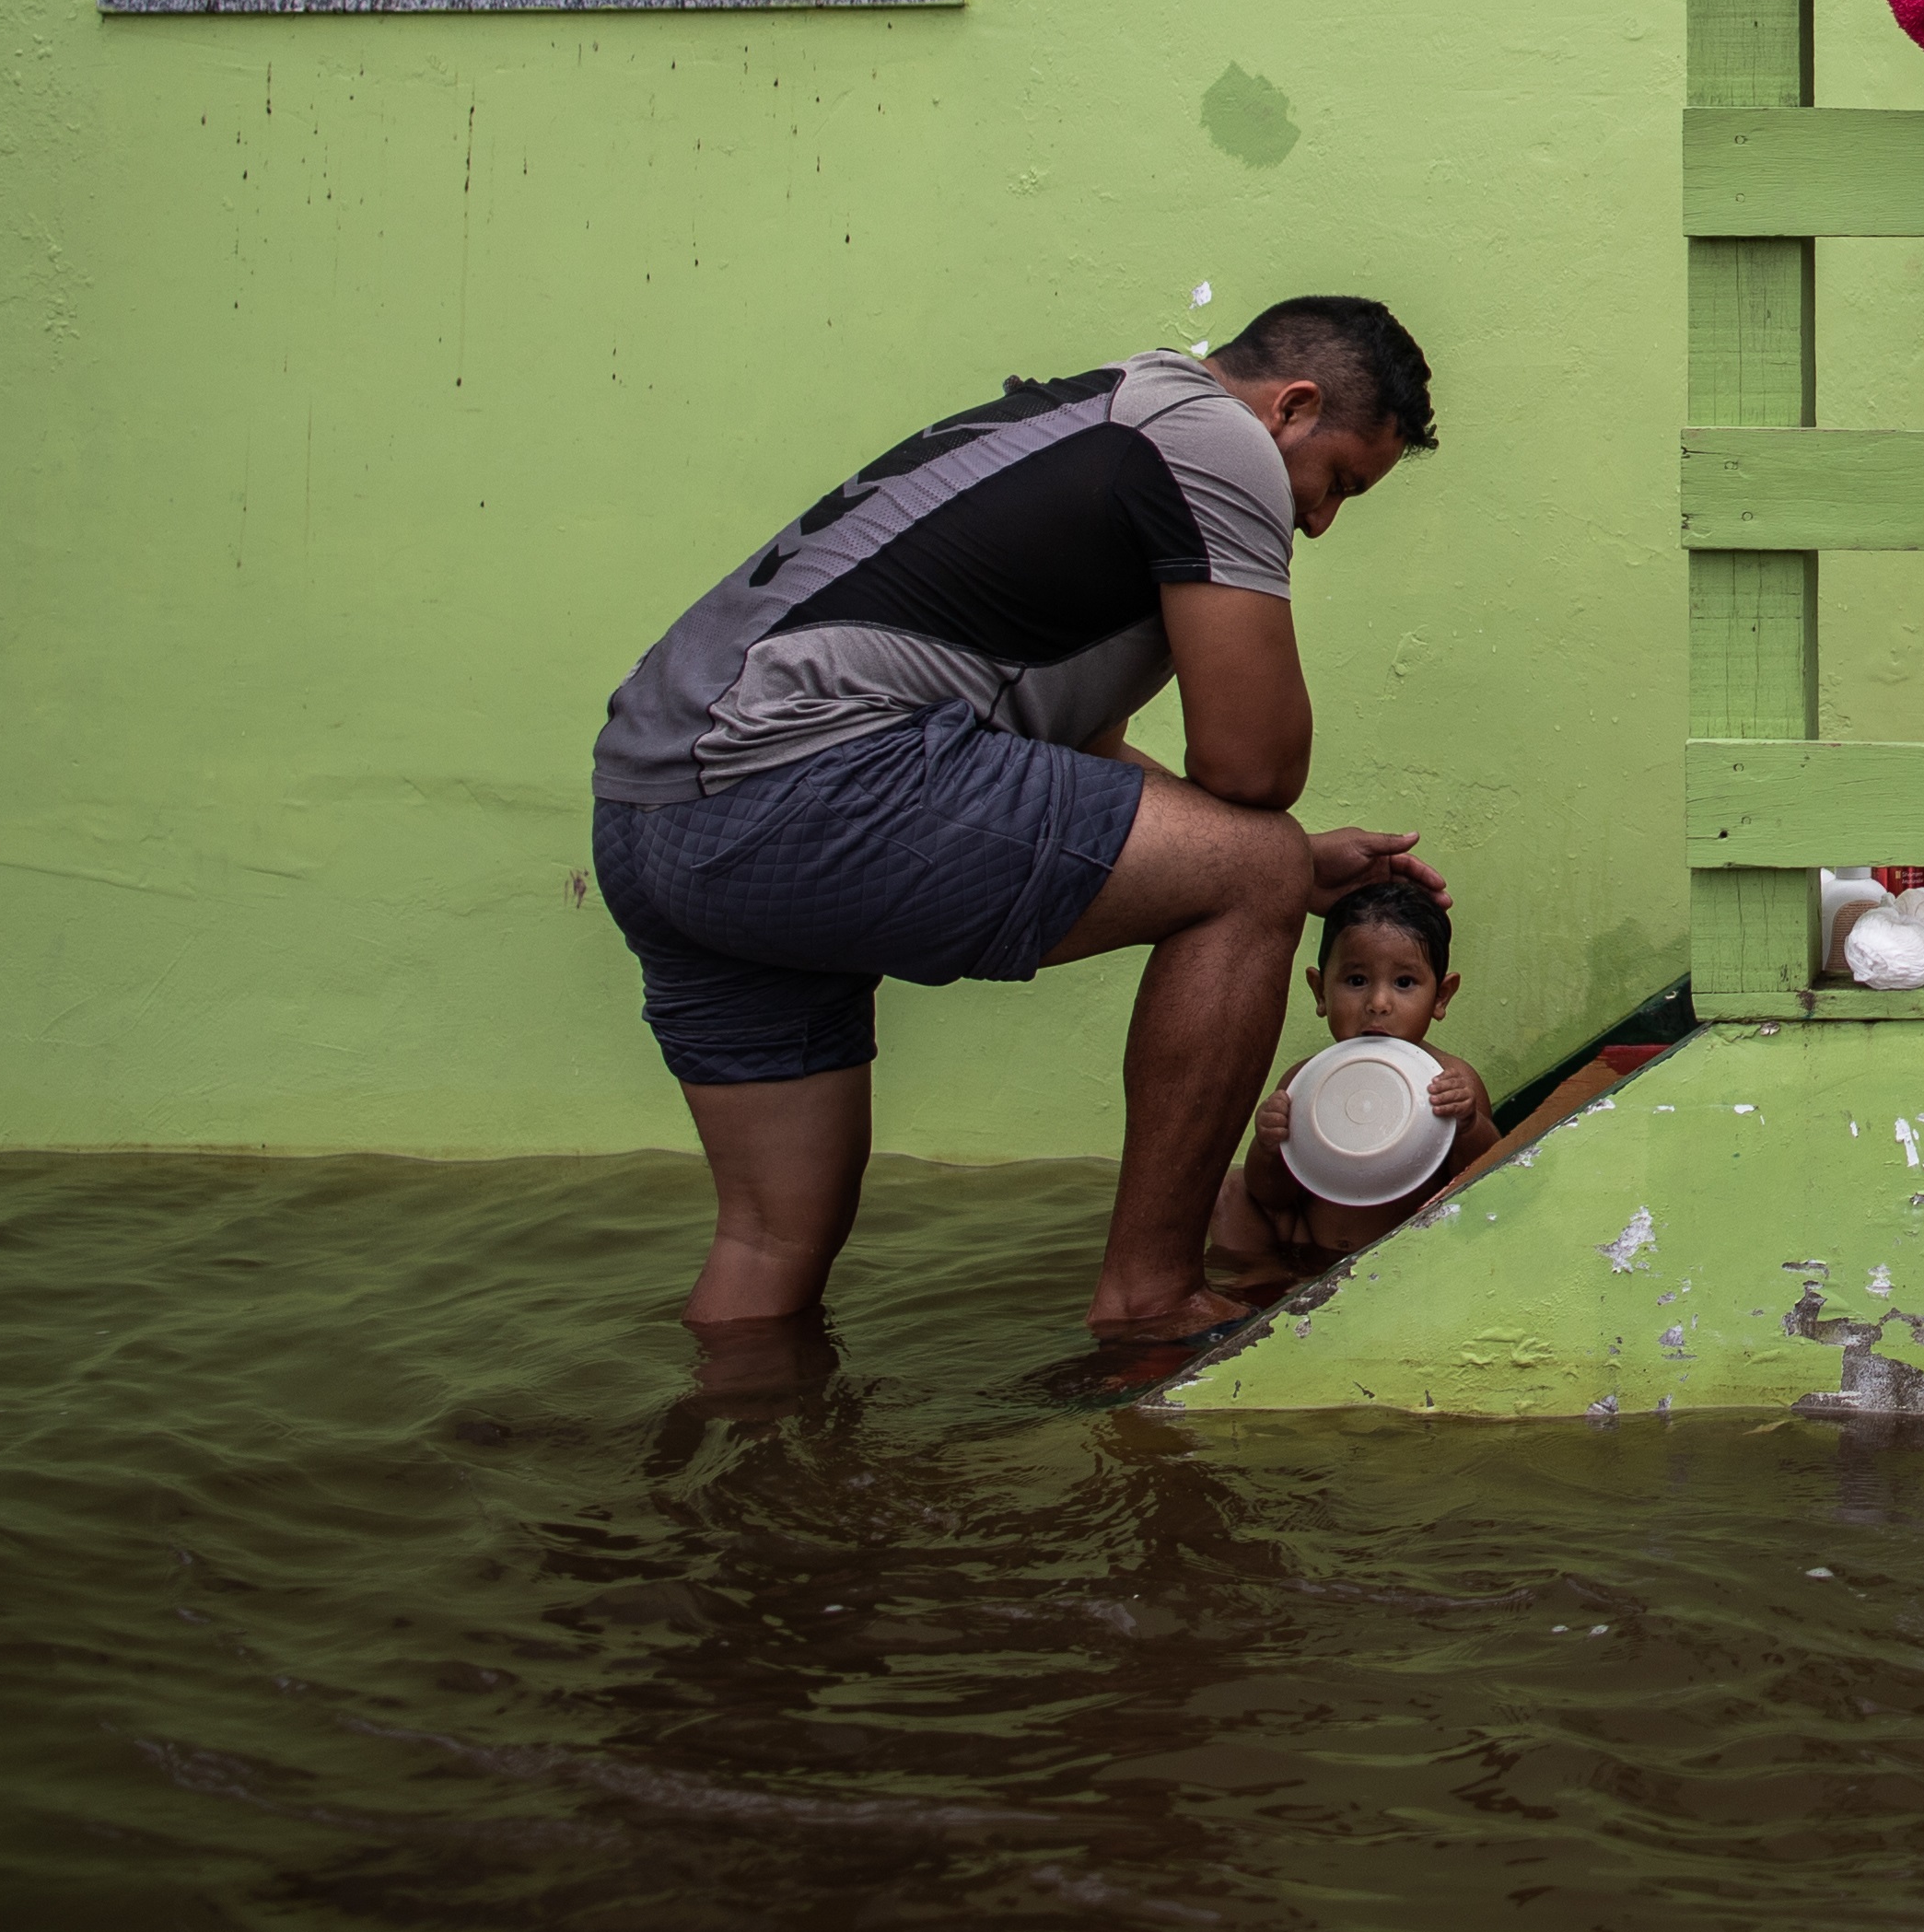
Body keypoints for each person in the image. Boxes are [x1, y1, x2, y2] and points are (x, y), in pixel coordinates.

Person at [588, 294, 1440, 1344]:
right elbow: (1253, 765)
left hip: (651, 813)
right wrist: (1278, 862)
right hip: (795, 785)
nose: (1320, 518)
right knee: (1253, 865)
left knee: (772, 1243)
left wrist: (1301, 862)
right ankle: (1152, 1296)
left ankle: (733, 1470)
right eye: (1339, 479)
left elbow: (1068, 762)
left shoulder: (1097, 423)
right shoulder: (1217, 435)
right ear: (1292, 407)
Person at [1205, 869, 1498, 1275]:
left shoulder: (1450, 1081)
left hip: (1409, 1257)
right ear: (1321, 990)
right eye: (1356, 980)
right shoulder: (1305, 1082)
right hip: (1308, 1250)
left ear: (1441, 996)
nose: (1378, 1002)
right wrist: (1269, 1145)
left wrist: (1468, 1125)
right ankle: (1257, 1287)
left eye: (1404, 982)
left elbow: (1487, 1181)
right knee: (1231, 1191)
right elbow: (1271, 1195)